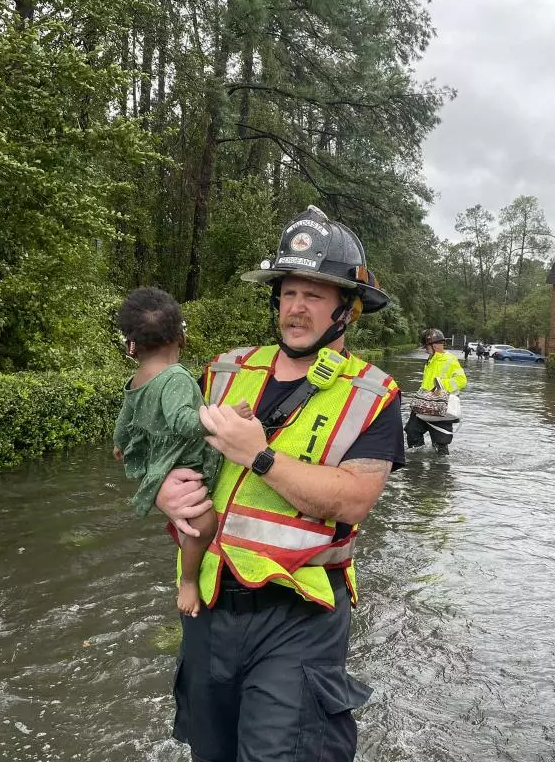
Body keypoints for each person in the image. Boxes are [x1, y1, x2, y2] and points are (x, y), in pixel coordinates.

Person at [153, 205, 405, 762]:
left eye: (314, 295)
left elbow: (355, 499)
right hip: (210, 608)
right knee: (209, 752)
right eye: (289, 292)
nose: (296, 307)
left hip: (299, 617)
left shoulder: (373, 394)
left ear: (349, 310)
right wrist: (164, 492)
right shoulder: (223, 370)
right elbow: (171, 455)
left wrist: (260, 457)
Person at [113, 287, 253, 618]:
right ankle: (188, 580)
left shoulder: (138, 378)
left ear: (132, 347)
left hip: (156, 459)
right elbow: (182, 422)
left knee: (193, 521)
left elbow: (125, 417)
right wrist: (225, 416)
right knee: (204, 526)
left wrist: (119, 443)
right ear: (180, 337)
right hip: (179, 459)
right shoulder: (174, 375)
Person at [404, 328, 467, 456]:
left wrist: (440, 387)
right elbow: (426, 383)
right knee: (412, 431)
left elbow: (461, 380)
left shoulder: (450, 360)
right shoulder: (430, 360)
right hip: (424, 404)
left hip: (441, 406)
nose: (425, 349)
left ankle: (439, 471)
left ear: (434, 345)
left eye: (426, 346)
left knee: (440, 445)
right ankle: (416, 464)